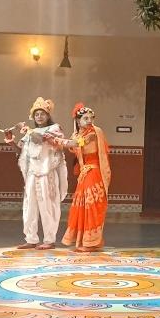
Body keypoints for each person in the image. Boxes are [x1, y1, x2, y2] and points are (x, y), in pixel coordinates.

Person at [4, 97, 67, 250]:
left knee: (48, 206)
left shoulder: (54, 129)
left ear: (48, 115)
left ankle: (49, 240)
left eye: (42, 114)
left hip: (47, 173)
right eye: (36, 114)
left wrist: (26, 129)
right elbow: (21, 152)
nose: (39, 116)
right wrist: (11, 141)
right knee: (29, 206)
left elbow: (40, 139)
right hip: (32, 173)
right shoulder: (29, 134)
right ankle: (31, 239)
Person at [52, 103, 111, 252]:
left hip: (94, 171)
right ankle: (86, 241)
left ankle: (91, 242)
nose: (89, 120)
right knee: (82, 206)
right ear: (78, 121)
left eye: (91, 118)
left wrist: (57, 140)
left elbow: (77, 144)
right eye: (85, 118)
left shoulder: (95, 132)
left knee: (92, 205)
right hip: (84, 174)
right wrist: (55, 139)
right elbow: (72, 145)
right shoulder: (77, 134)